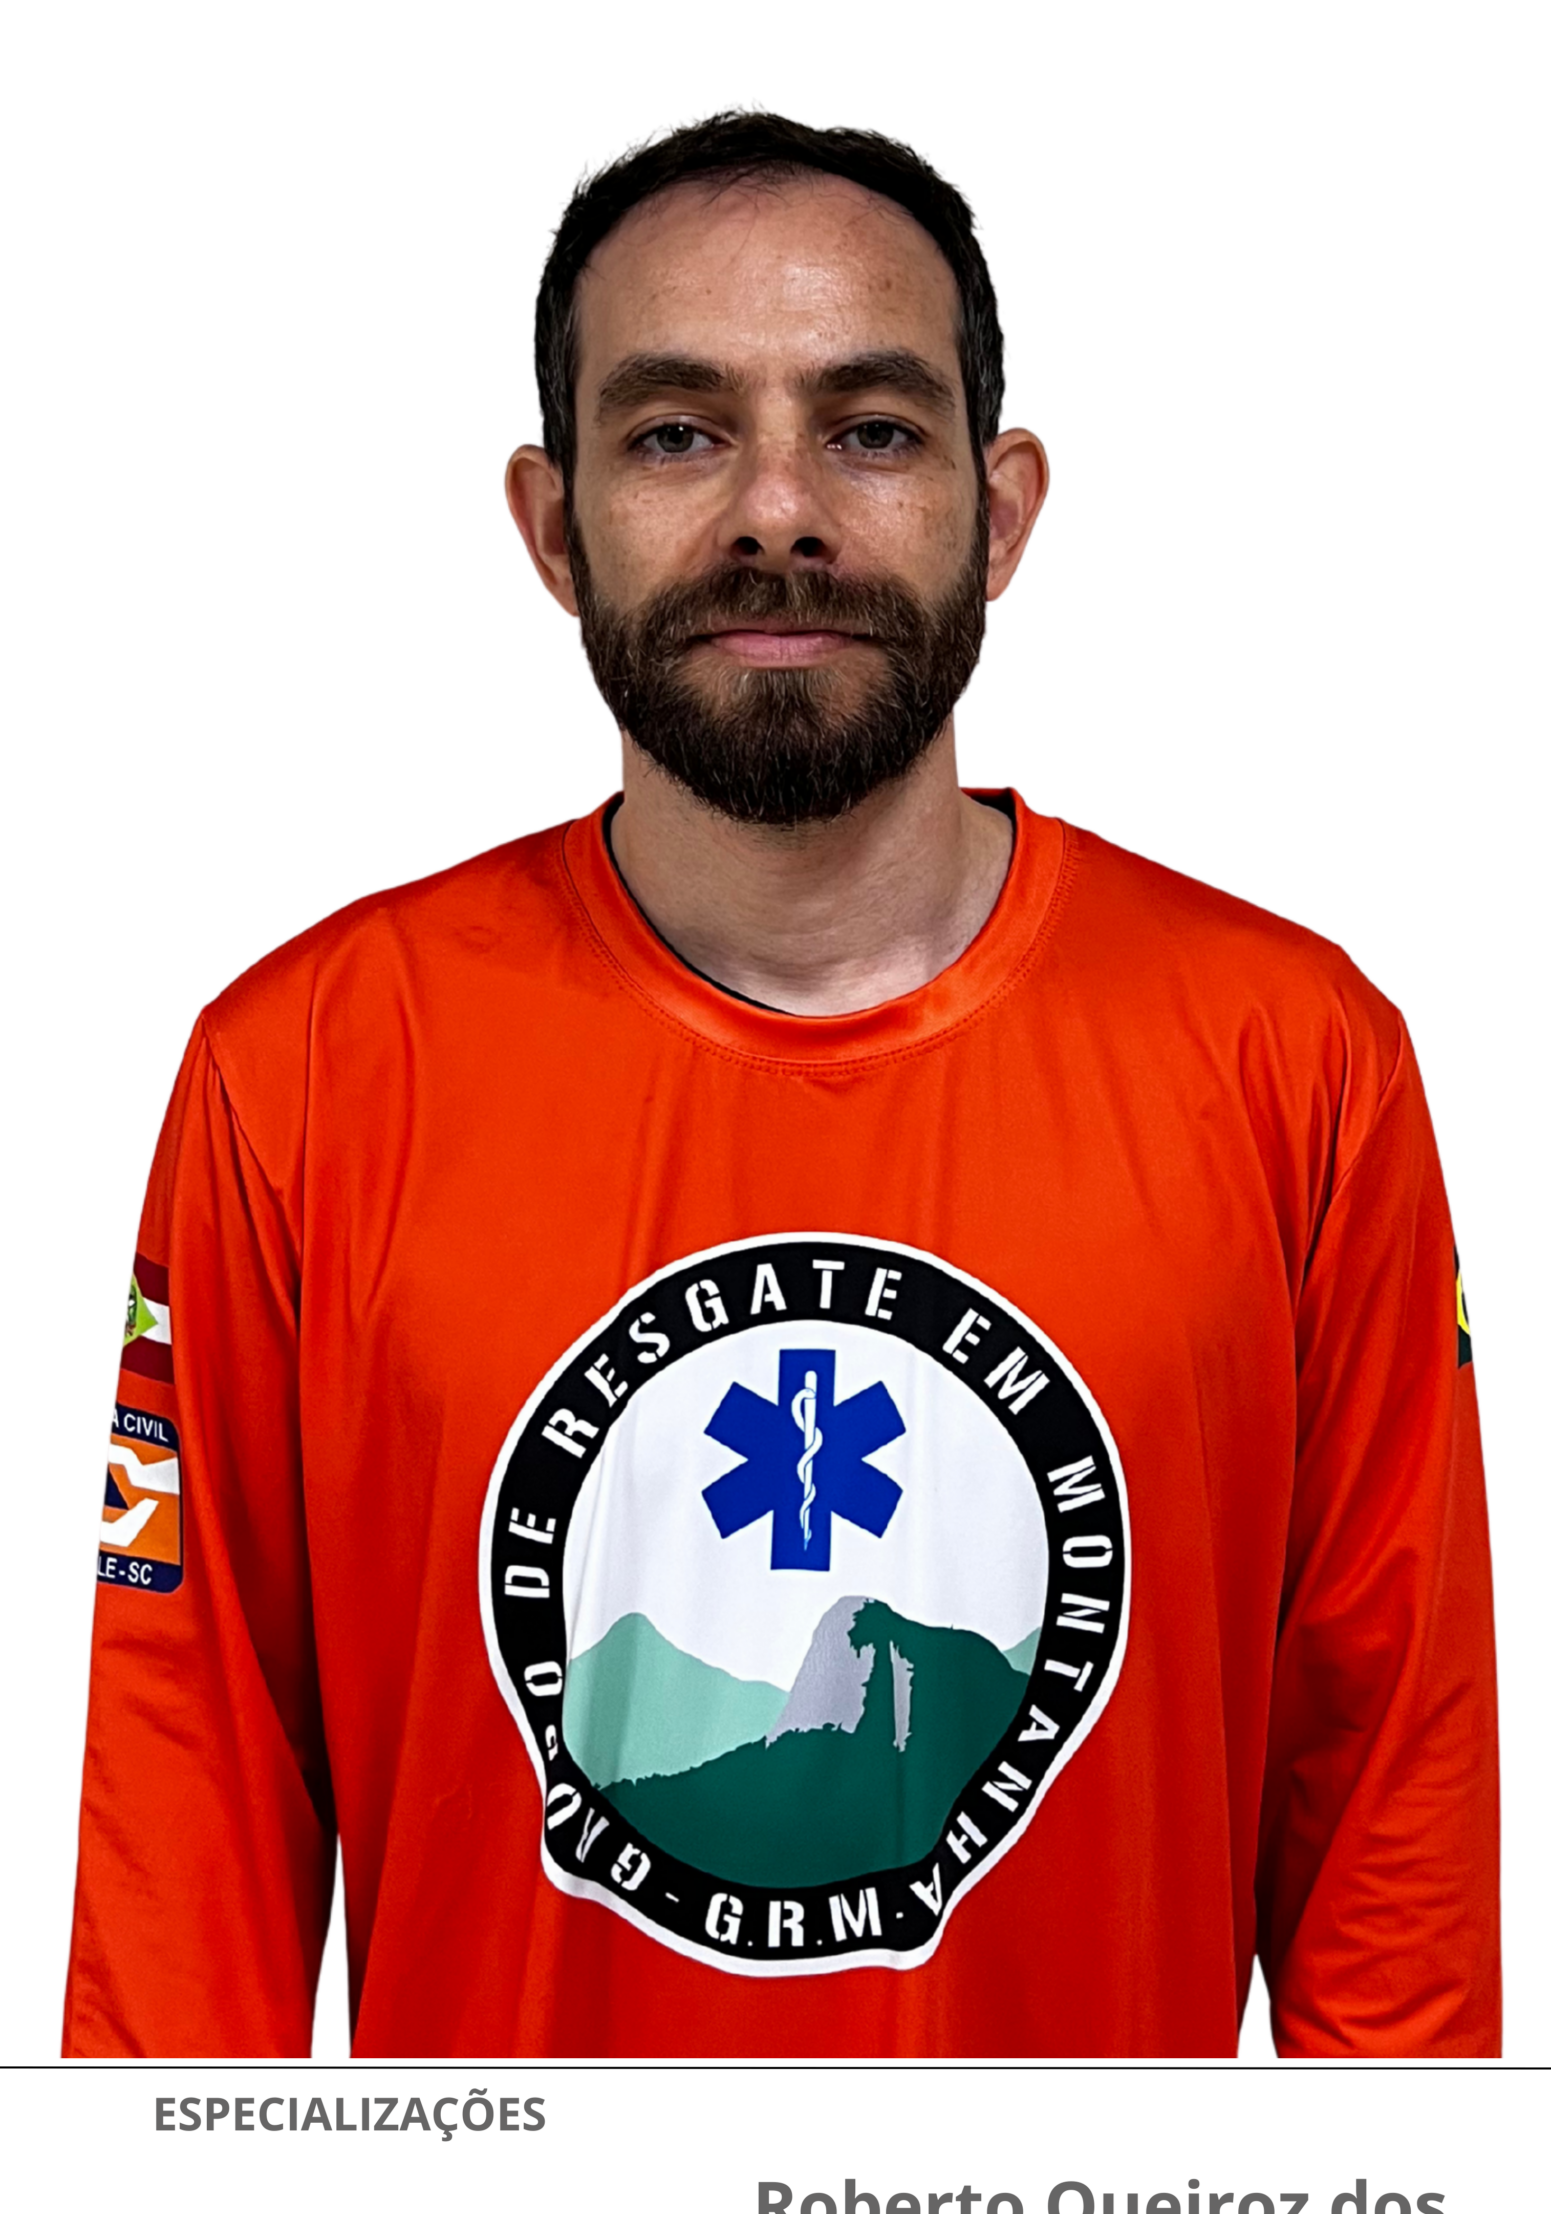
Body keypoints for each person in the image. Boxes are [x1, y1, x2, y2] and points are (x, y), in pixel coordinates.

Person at [61, 105, 1502, 2060]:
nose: (775, 512)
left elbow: (1396, 1825)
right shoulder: (293, 1071)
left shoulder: (1301, 1057)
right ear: (549, 528)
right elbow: (182, 1828)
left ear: (1004, 511)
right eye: (676, 432)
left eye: (870, 428)